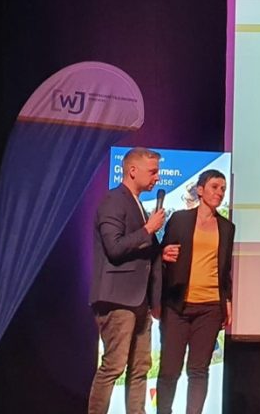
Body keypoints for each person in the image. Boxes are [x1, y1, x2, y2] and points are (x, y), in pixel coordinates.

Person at [88, 147, 165, 414]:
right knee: (114, 366)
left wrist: (161, 250)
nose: (157, 177)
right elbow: (115, 248)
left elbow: (142, 251)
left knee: (141, 367)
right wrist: (148, 229)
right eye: (152, 172)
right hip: (116, 298)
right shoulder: (113, 201)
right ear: (133, 171)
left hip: (139, 300)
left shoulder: (137, 203)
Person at [157, 169, 235, 414]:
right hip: (177, 305)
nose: (219, 193)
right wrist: (162, 255)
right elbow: (163, 255)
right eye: (214, 187)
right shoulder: (180, 219)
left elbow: (225, 269)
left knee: (199, 370)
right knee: (169, 369)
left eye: (223, 189)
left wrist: (228, 301)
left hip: (210, 307)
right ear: (200, 190)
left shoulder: (227, 227)